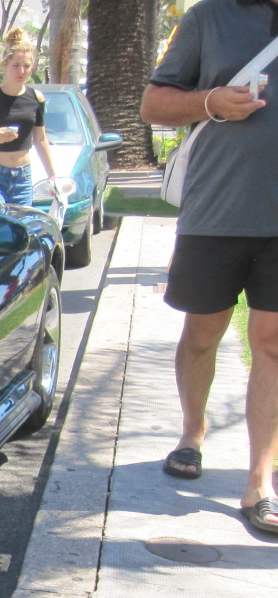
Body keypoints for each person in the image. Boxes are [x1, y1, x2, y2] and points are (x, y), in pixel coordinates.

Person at [140, 0, 278, 536]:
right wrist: (212, 102)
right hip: (215, 213)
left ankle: (259, 482)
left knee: (270, 341)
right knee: (202, 334)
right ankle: (192, 433)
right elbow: (153, 104)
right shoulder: (208, 18)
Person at [0, 27, 58, 206]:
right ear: (5, 65)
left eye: (27, 66)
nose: (21, 71)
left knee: (21, 229)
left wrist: (53, 177)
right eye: (16, 65)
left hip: (23, 177)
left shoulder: (36, 98)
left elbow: (41, 139)